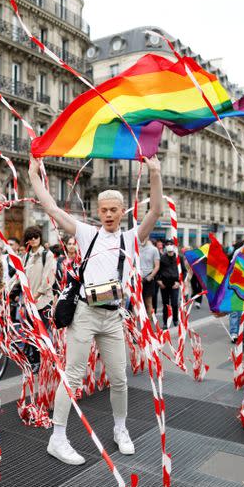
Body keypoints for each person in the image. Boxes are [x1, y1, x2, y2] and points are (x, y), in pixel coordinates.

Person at [28, 154, 162, 465]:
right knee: (73, 375)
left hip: (113, 316)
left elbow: (155, 211)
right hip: (85, 313)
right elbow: (51, 208)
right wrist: (35, 175)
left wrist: (155, 172)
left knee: (119, 378)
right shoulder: (87, 233)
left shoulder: (131, 238)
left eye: (114, 209)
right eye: (103, 210)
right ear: (97, 212)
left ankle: (120, 428)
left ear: (121, 211)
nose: (109, 215)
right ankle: (57, 438)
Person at [156, 243, 180, 329]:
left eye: (171, 252)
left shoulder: (178, 258)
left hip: (174, 284)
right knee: (165, 304)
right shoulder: (162, 258)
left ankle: (175, 319)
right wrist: (159, 281)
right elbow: (157, 269)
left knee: (174, 303)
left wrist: (179, 282)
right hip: (164, 284)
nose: (170, 253)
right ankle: (165, 322)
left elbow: (183, 271)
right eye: (169, 252)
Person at [139, 238, 160, 318]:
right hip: (138, 279)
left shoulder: (154, 249)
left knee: (148, 302)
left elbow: (157, 266)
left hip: (148, 279)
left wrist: (150, 277)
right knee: (137, 303)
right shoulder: (136, 247)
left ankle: (149, 322)